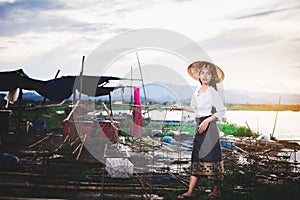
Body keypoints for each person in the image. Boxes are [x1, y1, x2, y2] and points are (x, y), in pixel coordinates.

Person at [170, 61, 226, 199]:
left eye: (208, 73)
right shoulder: (197, 91)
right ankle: (191, 192)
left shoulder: (212, 92)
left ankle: (216, 190)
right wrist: (181, 107)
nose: (205, 76)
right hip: (199, 126)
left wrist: (207, 121)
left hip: (210, 127)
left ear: (212, 77)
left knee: (212, 157)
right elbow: (195, 109)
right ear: (199, 76)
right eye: (203, 73)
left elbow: (221, 111)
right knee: (197, 157)